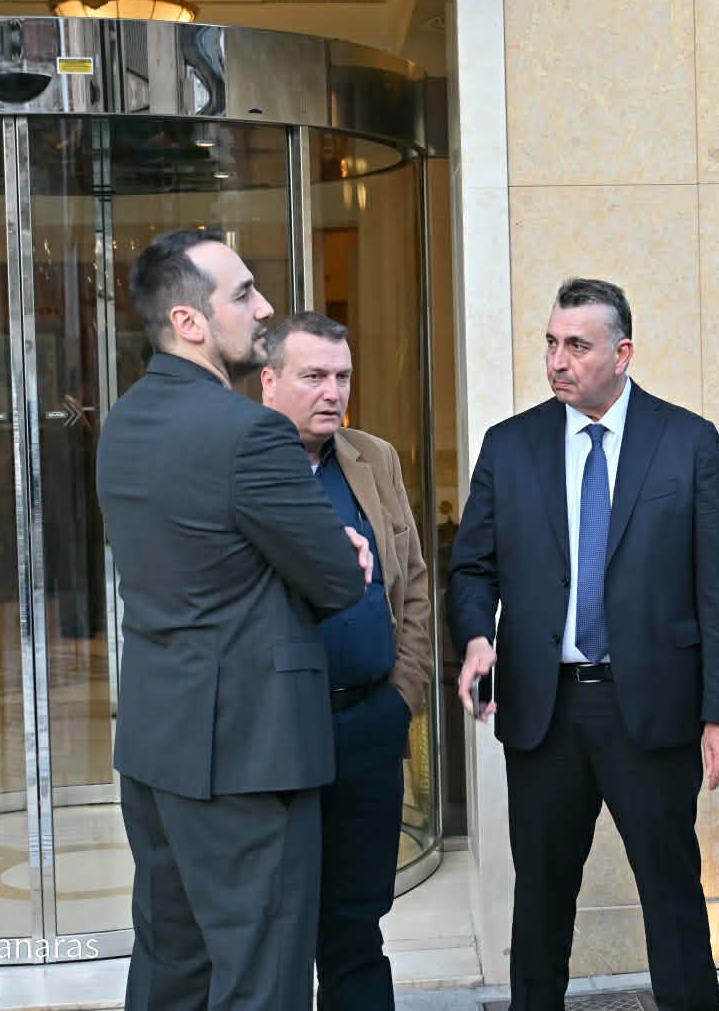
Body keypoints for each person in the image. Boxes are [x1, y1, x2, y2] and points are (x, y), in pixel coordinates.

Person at [448, 277, 719, 1011]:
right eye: (552, 343)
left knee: (673, 897)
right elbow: (472, 567)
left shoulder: (687, 441)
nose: (558, 360)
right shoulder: (509, 445)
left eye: (577, 346)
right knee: (541, 902)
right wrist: (477, 637)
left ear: (623, 353)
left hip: (650, 708)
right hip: (543, 710)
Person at [96, 229, 371, 1011]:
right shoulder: (252, 432)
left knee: (171, 969)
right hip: (250, 755)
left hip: (158, 744)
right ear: (189, 321)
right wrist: (341, 549)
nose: (266, 308)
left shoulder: (123, 421)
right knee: (262, 979)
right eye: (244, 293)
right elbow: (336, 579)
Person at [259, 311, 433, 1011]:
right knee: (273, 932)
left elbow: (412, 580)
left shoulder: (373, 458)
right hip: (274, 740)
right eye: (314, 376)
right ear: (269, 381)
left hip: (367, 726)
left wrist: (402, 697)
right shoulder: (238, 467)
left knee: (356, 928)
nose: (333, 393)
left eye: (343, 376)